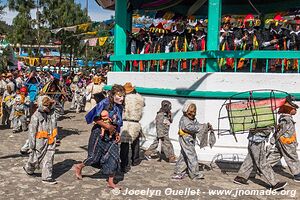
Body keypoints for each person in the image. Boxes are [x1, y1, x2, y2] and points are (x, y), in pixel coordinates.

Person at [74, 84, 125, 189]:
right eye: (119, 96)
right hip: (99, 133)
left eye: (123, 96)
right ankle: (79, 166)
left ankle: (110, 182)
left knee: (114, 157)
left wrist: (117, 133)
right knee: (94, 157)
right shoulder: (104, 103)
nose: (122, 98)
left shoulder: (119, 107)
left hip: (112, 134)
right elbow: (94, 118)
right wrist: (107, 126)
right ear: (113, 95)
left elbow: (118, 122)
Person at [233, 124, 287, 190]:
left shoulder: (257, 117)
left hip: (252, 141)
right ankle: (275, 183)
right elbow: (265, 130)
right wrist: (272, 127)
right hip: (258, 142)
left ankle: (240, 178)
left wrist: (274, 126)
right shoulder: (264, 118)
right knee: (262, 162)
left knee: (250, 160)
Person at [23, 95, 58, 184]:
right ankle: (28, 168)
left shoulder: (53, 112)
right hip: (40, 141)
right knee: (36, 158)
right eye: (45, 105)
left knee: (49, 157)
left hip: (51, 139)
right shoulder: (36, 116)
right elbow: (31, 132)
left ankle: (46, 177)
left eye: (48, 105)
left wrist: (55, 103)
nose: (47, 107)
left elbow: (61, 111)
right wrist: (32, 145)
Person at [267, 96, 300, 182]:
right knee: (292, 157)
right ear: (288, 109)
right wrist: (272, 140)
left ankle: (265, 167)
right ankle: (297, 174)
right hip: (286, 142)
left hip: (284, 141)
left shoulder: (286, 119)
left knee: (276, 155)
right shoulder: (286, 120)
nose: (295, 110)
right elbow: (280, 131)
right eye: (293, 109)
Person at [172, 101, 206, 180]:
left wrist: (204, 126)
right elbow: (188, 128)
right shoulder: (185, 119)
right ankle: (194, 174)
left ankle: (179, 171)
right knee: (192, 156)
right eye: (190, 112)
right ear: (185, 111)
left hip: (189, 139)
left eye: (194, 112)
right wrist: (200, 128)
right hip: (186, 139)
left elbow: (196, 125)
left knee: (184, 155)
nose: (193, 114)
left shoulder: (192, 119)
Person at [120, 82, 145, 173]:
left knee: (125, 144)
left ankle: (124, 164)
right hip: (136, 122)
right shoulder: (140, 98)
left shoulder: (123, 99)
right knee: (135, 142)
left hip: (126, 122)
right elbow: (143, 105)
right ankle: (135, 160)